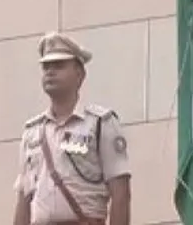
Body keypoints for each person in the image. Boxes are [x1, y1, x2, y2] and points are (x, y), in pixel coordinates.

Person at [12, 32, 132, 225]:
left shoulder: (100, 123)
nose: (50, 72)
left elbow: (121, 193)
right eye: (46, 67)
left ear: (79, 74)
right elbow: (24, 199)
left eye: (58, 66)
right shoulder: (32, 131)